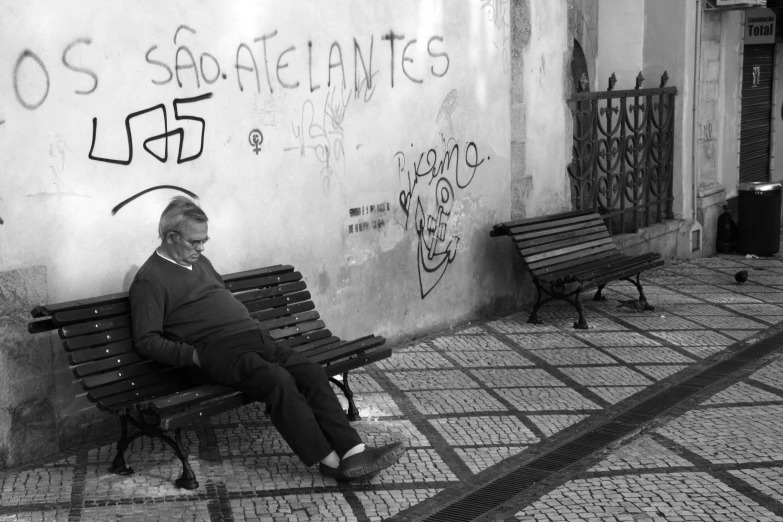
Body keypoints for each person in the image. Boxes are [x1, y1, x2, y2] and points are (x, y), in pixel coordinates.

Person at [128, 196, 405, 481]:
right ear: (171, 236)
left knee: (310, 372)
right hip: (216, 351)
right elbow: (147, 340)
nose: (201, 248)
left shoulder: (200, 262)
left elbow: (217, 298)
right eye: (194, 242)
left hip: (253, 338)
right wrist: (194, 356)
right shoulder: (150, 280)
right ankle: (331, 462)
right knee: (279, 382)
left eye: (204, 241)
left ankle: (354, 450)